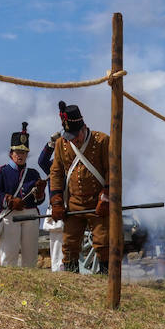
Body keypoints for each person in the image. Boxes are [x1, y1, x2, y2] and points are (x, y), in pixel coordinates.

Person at [47, 101, 111, 273]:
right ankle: (71, 280)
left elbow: (112, 171)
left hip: (98, 204)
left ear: (83, 128)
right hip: (74, 203)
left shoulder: (102, 140)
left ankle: (107, 280)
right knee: (69, 245)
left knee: (103, 243)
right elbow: (56, 173)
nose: (74, 139)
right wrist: (57, 201)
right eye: (70, 136)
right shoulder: (61, 144)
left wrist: (106, 197)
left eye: (76, 135)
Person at [0, 123, 46, 268]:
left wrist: (41, 192)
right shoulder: (1, 172)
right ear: (11, 153)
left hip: (30, 214)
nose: (20, 155)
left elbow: (39, 200)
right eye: (18, 152)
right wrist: (10, 200)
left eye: (23, 152)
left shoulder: (33, 173)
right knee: (9, 253)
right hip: (10, 214)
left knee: (30, 254)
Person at [37, 103, 66, 271]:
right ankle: (56, 269)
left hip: (73, 206)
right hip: (57, 207)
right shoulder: (54, 165)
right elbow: (42, 161)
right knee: (56, 245)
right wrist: (51, 144)